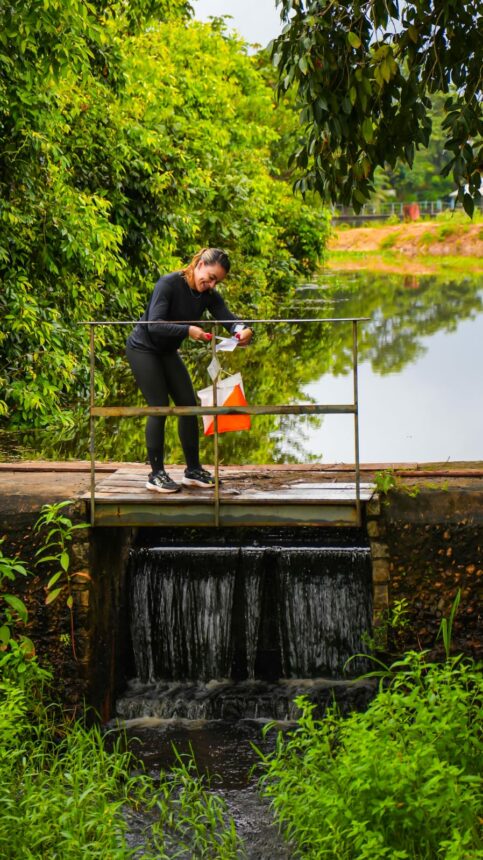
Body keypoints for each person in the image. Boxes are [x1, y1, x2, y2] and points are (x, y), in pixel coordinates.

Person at [126, 248, 253, 493]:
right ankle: (156, 475)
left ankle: (193, 471)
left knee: (188, 404)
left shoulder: (209, 295)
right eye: (210, 275)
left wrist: (244, 330)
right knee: (159, 406)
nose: (211, 283)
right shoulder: (169, 284)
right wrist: (187, 330)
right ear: (199, 263)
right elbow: (155, 325)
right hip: (143, 348)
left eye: (216, 281)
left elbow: (230, 320)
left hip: (167, 352)